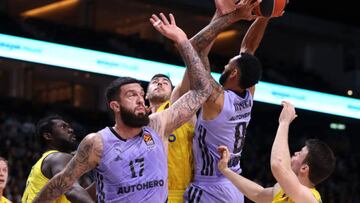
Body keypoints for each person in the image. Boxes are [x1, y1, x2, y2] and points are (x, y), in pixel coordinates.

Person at [33, 13, 213, 203]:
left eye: (141, 95)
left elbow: (203, 89)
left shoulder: (158, 125)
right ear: (115, 106)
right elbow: (60, 183)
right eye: (131, 95)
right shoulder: (97, 142)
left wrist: (182, 40)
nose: (139, 100)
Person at [150, 0, 272, 202]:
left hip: (211, 187)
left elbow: (195, 50)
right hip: (233, 183)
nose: (224, 65)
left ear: (233, 73)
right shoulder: (247, 93)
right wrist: (265, 16)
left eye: (227, 65)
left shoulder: (216, 98)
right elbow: (248, 50)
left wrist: (231, 18)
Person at [217, 101, 336, 203]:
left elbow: (278, 165)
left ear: (304, 168)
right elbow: (258, 194)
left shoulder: (310, 198)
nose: (295, 153)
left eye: (300, 153)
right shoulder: (283, 190)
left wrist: (284, 123)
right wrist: (226, 170)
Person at [21, 115, 94, 203]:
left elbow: (78, 196)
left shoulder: (46, 161)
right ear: (48, 136)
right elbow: (72, 191)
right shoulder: (57, 157)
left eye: (70, 127)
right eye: (63, 127)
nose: (71, 130)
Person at [146, 73, 195, 203]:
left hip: (180, 194)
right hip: (147, 194)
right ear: (146, 95)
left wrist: (196, 53)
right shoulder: (140, 123)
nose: (160, 83)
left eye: (165, 82)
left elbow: (184, 87)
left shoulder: (178, 109)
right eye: (155, 81)